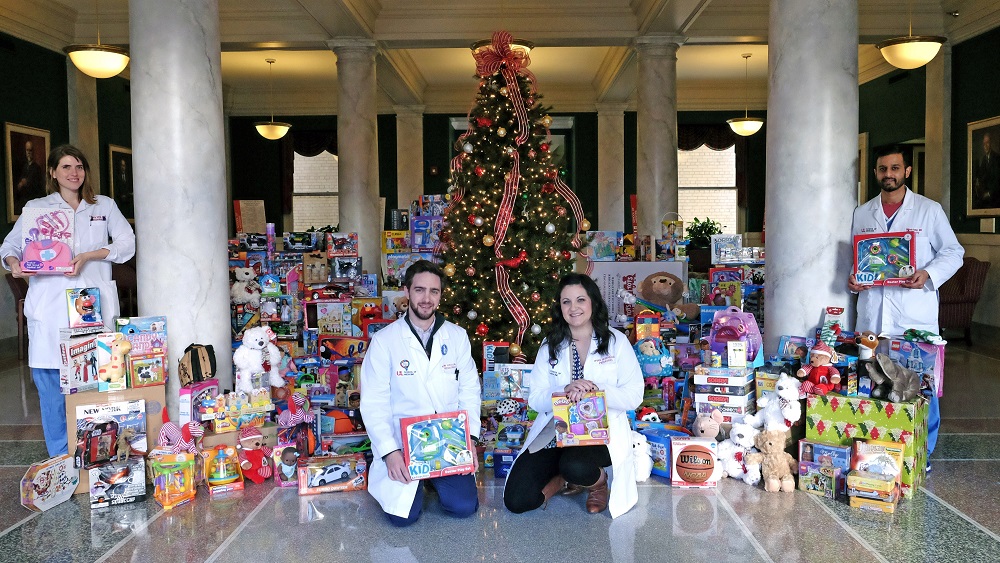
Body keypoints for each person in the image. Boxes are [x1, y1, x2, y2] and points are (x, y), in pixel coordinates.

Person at [1, 145, 136, 457]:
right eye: (65, 167)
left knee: (101, 380)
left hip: (93, 304)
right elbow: (10, 244)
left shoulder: (103, 205)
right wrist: (13, 260)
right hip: (50, 306)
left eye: (79, 166)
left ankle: (100, 454)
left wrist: (91, 254)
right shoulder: (38, 208)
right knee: (50, 385)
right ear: (52, 172)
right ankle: (61, 457)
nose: (74, 173)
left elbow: (127, 244)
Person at [848, 144, 964, 469]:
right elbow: (856, 260)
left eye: (895, 168)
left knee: (921, 386)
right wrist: (854, 279)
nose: (889, 174)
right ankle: (880, 451)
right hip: (873, 315)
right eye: (883, 169)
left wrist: (928, 274)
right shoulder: (862, 213)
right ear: (875, 173)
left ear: (907, 171)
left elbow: (954, 252)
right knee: (877, 384)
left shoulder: (929, 210)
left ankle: (921, 454)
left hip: (915, 314)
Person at [503, 273, 643, 517]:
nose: (573, 307)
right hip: (556, 430)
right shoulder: (551, 344)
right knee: (517, 500)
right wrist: (563, 392)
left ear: (593, 303)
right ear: (559, 306)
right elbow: (535, 398)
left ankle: (596, 483)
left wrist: (595, 389)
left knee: (575, 464)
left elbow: (634, 396)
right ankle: (562, 479)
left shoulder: (616, 342)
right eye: (566, 301)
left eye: (580, 299)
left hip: (600, 432)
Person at [359, 259, 481, 527]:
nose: (427, 299)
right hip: (402, 446)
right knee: (403, 518)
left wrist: (470, 438)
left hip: (448, 443)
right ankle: (417, 481)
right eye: (420, 290)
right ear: (407, 291)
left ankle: (435, 481)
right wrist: (390, 453)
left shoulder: (457, 336)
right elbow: (373, 403)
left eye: (434, 292)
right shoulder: (384, 341)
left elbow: (470, 389)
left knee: (463, 507)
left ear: (440, 295)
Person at [14, 140, 45, 214]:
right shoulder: (24, 167)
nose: (28, 153)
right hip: (24, 199)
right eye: (27, 150)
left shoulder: (36, 168)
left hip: (32, 199)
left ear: (33, 152)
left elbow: (38, 186)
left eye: (30, 150)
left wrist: (26, 183)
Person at [973, 132, 1000, 209]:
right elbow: (981, 175)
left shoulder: (997, 158)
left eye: (987, 143)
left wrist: (989, 193)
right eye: (984, 143)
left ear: (991, 143)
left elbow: (997, 180)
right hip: (985, 194)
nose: (985, 146)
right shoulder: (984, 159)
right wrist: (978, 180)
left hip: (995, 196)